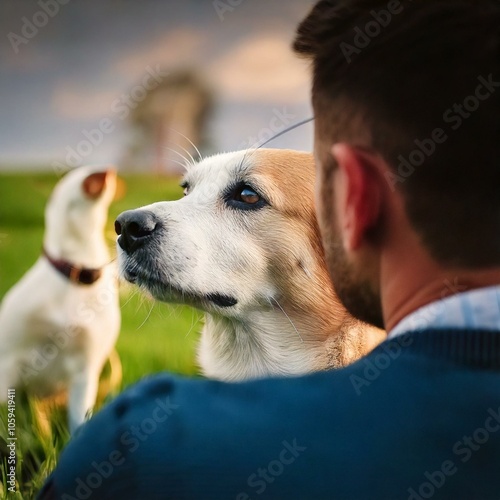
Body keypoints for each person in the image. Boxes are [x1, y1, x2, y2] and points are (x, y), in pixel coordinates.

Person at [38, 1, 500, 498]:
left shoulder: (145, 453)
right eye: (187, 191)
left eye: (245, 197)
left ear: (355, 199)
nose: (142, 220)